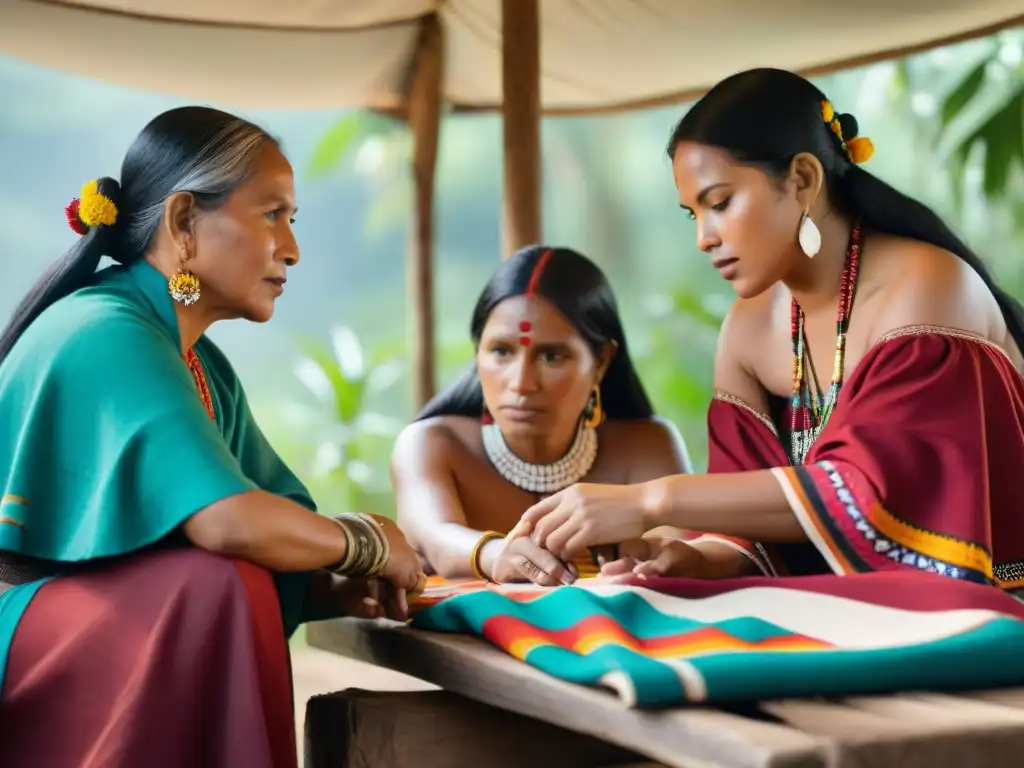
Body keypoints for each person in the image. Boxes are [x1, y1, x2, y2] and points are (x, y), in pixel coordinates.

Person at [0, 106, 424, 768]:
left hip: (87, 630)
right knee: (219, 585)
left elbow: (265, 526)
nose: (292, 248)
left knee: (231, 582)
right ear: (183, 222)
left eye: (294, 220)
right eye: (272, 215)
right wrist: (367, 544)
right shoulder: (108, 331)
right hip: (27, 642)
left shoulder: (200, 365)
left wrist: (324, 583)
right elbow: (227, 522)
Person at [514, 68, 1024, 592]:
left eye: (719, 203)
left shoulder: (928, 285)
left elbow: (870, 496)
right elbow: (748, 527)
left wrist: (648, 501)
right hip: (849, 614)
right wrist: (693, 557)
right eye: (692, 214)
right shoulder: (751, 327)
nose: (704, 238)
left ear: (802, 179)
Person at [391, 245, 700, 586]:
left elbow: (673, 554)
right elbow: (437, 539)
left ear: (601, 362)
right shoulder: (431, 445)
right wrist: (495, 555)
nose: (522, 383)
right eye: (501, 351)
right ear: (477, 351)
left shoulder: (647, 446)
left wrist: (652, 556)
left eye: (551, 356)